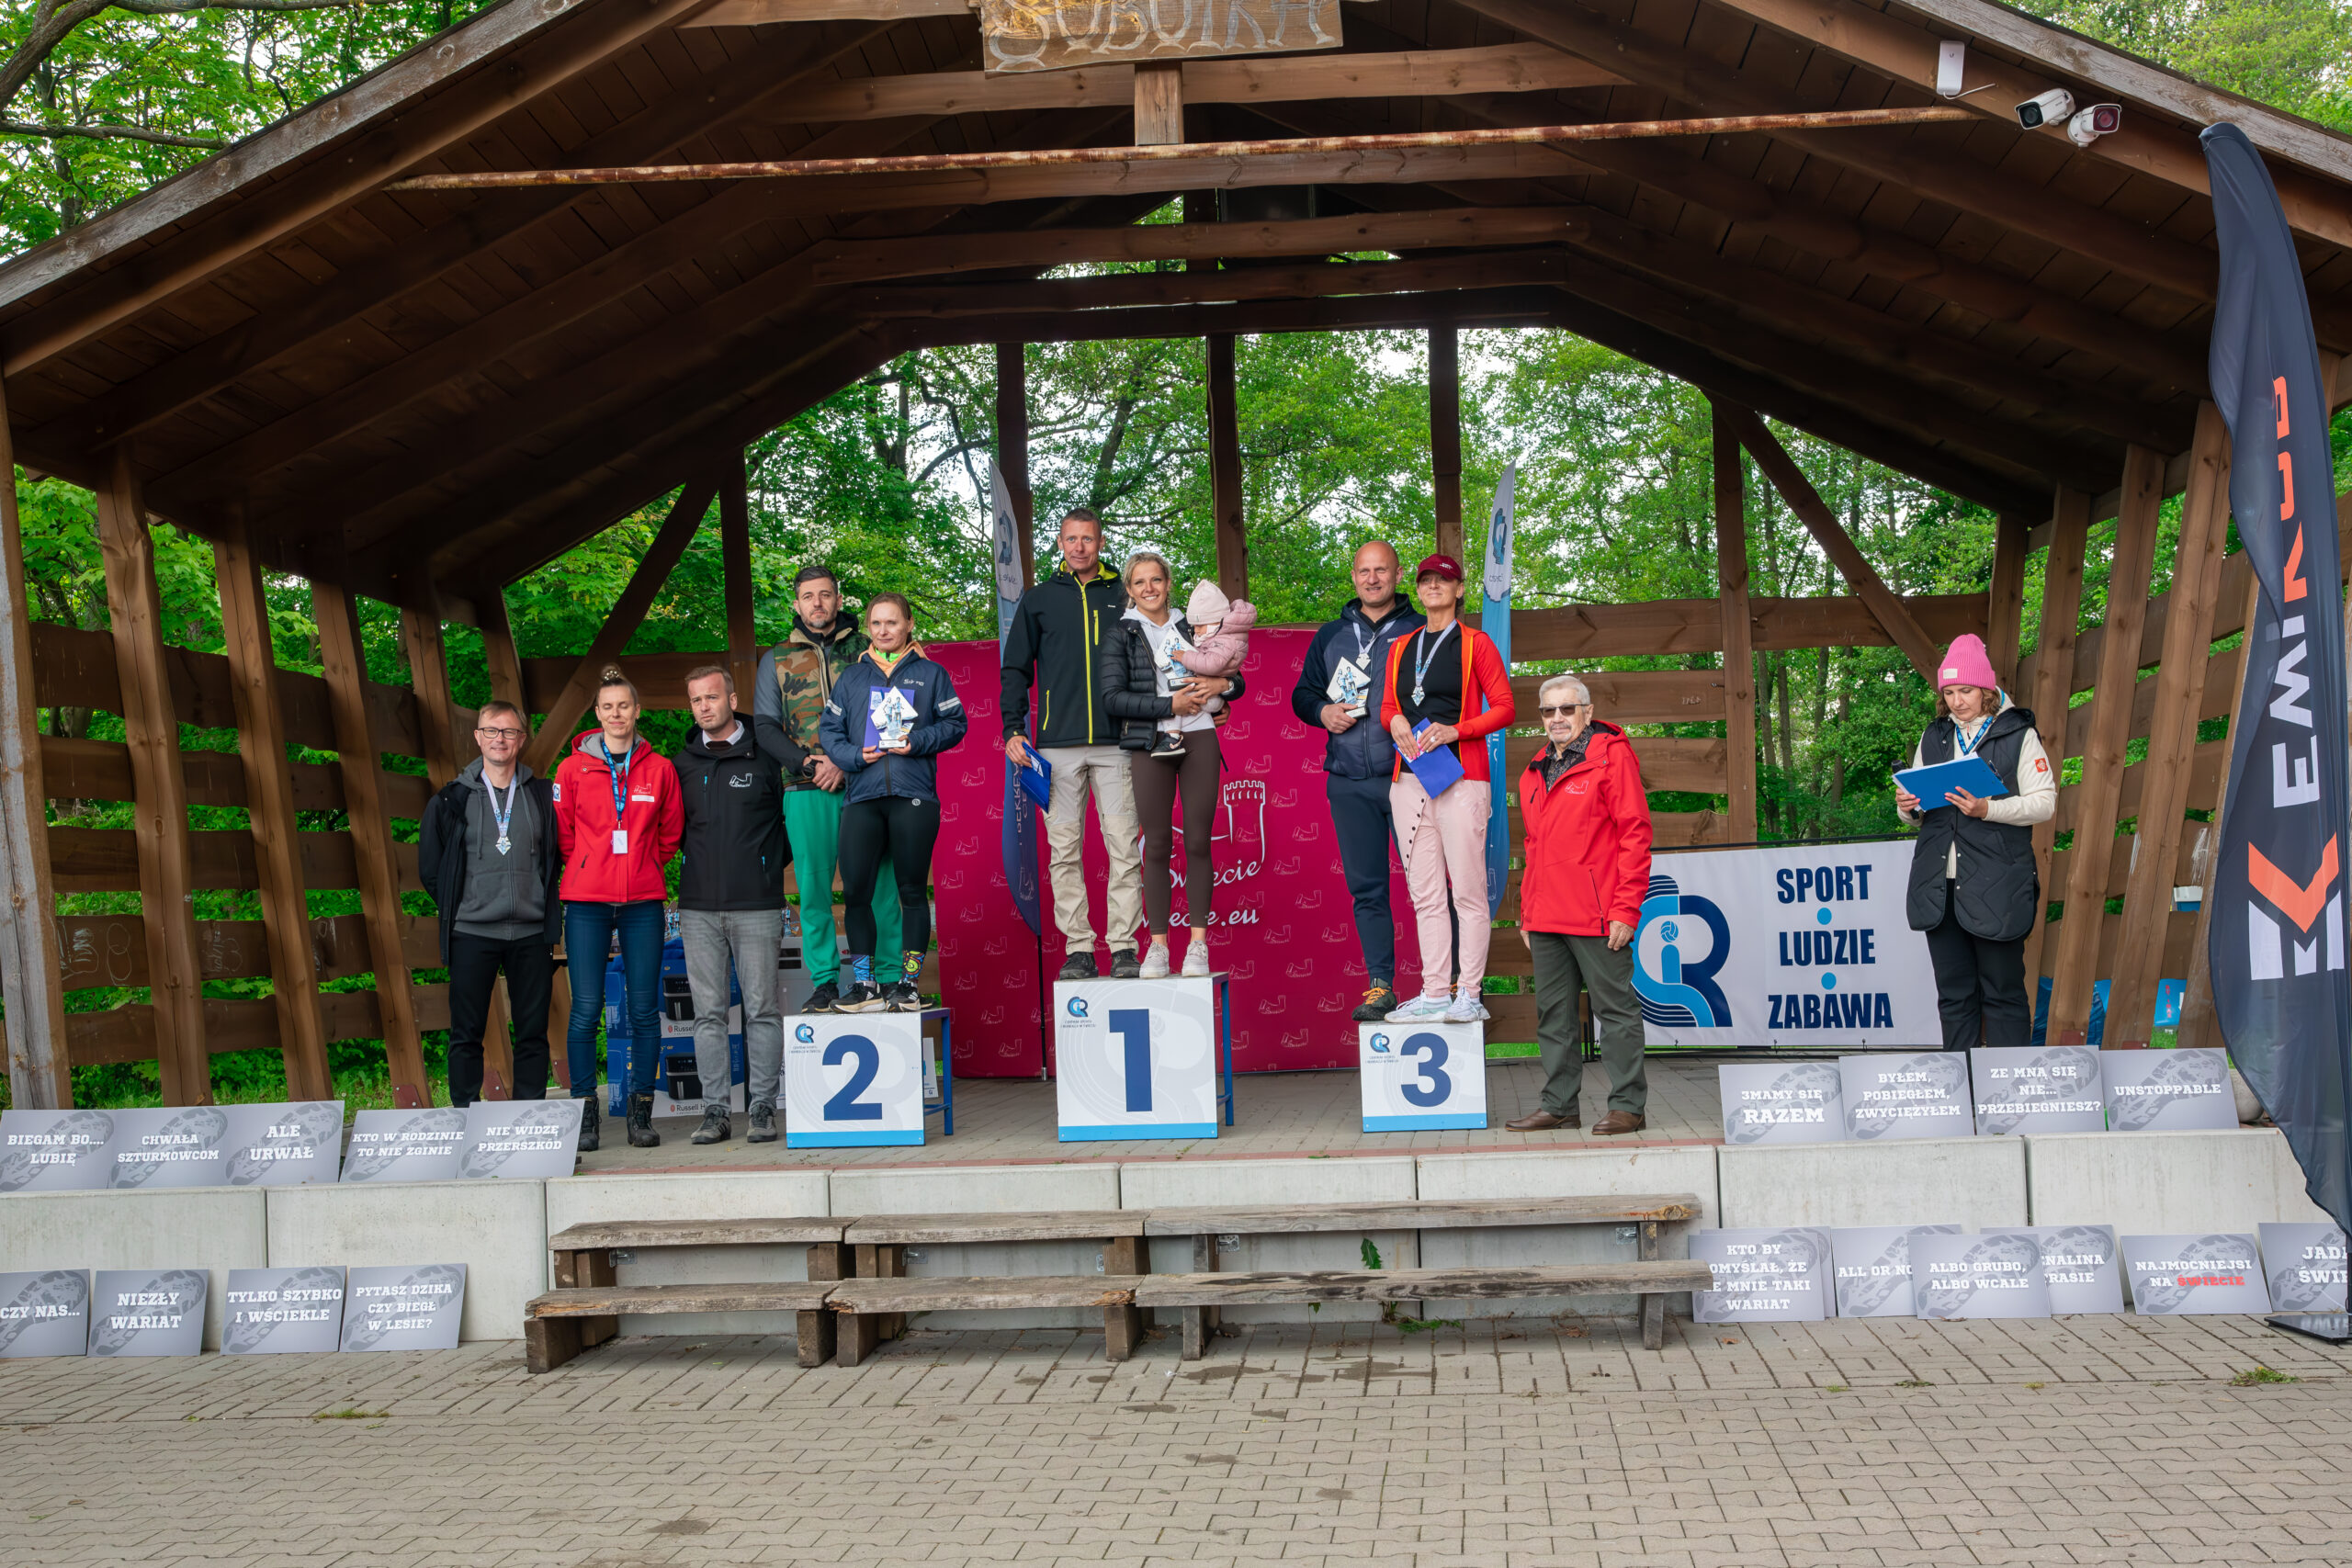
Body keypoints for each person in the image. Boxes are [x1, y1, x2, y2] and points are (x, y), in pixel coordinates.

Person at [1001, 508, 1148, 979]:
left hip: (1117, 742)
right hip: (1055, 748)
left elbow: (1157, 657)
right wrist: (1013, 728)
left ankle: (1123, 947)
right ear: (1060, 543)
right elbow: (1015, 669)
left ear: (1100, 542)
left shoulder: (1124, 595)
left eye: (1087, 538)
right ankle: (1079, 948)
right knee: (1063, 851)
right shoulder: (1039, 599)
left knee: (1124, 847)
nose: (1079, 547)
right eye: (1071, 539)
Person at [1505, 677, 1656, 1135]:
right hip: (1545, 915)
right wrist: (1528, 911)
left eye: (1567, 709)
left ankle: (1628, 1106)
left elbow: (1635, 834)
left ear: (1587, 712)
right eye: (1548, 711)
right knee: (1554, 1016)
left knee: (1616, 1012)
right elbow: (1533, 847)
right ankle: (1559, 1106)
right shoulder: (1534, 770)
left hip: (1597, 913)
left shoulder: (1612, 756)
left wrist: (1626, 910)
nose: (1557, 718)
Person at [1291, 541, 1432, 1021]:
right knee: (1367, 890)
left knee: (1430, 887)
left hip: (1410, 776)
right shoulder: (1331, 635)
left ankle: (1446, 983)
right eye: (1364, 571)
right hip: (1349, 780)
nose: (1372, 579)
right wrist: (1322, 711)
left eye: (1381, 571)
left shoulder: (1422, 629)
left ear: (1398, 575)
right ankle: (1380, 986)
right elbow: (1303, 694)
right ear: (1353, 576)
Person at [1895, 633, 2055, 1051]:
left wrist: (1989, 809)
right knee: (1954, 995)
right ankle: (1960, 1082)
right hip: (1939, 889)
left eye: (1965, 690)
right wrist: (1908, 807)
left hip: (1998, 885)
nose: (1956, 701)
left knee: (2003, 993)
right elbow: (1918, 812)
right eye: (1948, 692)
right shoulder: (1933, 736)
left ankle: (2007, 1085)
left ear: (1986, 689)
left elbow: (2045, 803)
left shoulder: (2019, 733)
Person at [754, 563, 901, 1014]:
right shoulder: (776, 658)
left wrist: (844, 759)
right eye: (808, 596)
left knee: (880, 883)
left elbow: (892, 709)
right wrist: (807, 762)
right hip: (805, 787)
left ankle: (889, 978)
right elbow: (765, 726)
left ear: (838, 599)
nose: (816, 603)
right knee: (814, 890)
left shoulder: (869, 648)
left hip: (868, 783)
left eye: (824, 594)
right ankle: (824, 983)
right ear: (796, 604)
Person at [1099, 552, 1250, 977]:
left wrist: (1224, 686)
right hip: (1151, 741)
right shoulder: (1120, 633)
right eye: (1139, 582)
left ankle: (1198, 945)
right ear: (1129, 590)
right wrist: (1170, 705)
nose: (1149, 588)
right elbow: (1111, 698)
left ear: (1168, 583)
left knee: (1199, 841)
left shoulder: (1193, 623)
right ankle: (1159, 946)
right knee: (1157, 845)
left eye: (1156, 580)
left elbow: (1235, 672)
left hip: (1200, 736)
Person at [1381, 552, 1516, 1025]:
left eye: (1444, 579)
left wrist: (1457, 730)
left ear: (1460, 590)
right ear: (1417, 589)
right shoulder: (1402, 646)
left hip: (1462, 778)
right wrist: (1395, 720)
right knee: (1426, 896)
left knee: (1468, 893)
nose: (1433, 585)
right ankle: (1436, 992)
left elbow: (1505, 707)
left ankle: (1470, 993)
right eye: (1426, 580)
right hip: (1409, 780)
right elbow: (1388, 707)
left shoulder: (1477, 643)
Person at [552, 667, 684, 1150]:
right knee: (586, 1009)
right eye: (607, 707)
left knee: (644, 1009)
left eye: (623, 706)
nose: (616, 714)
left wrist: (643, 863)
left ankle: (640, 1113)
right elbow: (564, 833)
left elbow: (671, 832)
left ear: (637, 711)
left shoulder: (660, 768)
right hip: (586, 900)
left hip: (642, 901)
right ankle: (585, 1113)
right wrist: (592, 866)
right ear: (597, 714)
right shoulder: (572, 769)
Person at [820, 592, 968, 1011]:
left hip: (913, 796)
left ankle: (908, 985)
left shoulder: (931, 673)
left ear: (909, 625)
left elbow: (956, 724)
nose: (883, 631)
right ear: (869, 627)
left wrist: (916, 741)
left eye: (892, 623)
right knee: (855, 894)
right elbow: (829, 730)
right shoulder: (852, 677)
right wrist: (854, 756)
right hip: (862, 796)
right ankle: (865, 986)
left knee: (912, 891)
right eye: (876, 623)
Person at [673, 666, 798, 1145]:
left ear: (731, 698)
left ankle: (762, 1107)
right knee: (707, 1013)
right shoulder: (681, 765)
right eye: (696, 700)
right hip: (698, 908)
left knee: (761, 1009)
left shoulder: (767, 755)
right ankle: (715, 1111)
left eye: (711, 697)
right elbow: (675, 831)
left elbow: (790, 824)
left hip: (757, 903)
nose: (704, 706)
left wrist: (763, 865)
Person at [418, 701, 561, 1110]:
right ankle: (465, 1111)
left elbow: (559, 855)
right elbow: (431, 868)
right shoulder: (451, 799)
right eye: (492, 731)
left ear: (522, 739)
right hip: (472, 931)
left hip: (531, 931)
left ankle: (529, 1112)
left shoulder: (542, 795)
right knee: (466, 1030)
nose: (501, 739)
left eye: (510, 731)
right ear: (478, 738)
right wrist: (466, 904)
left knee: (532, 1031)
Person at [1149, 580, 1255, 759]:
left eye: (1199, 626)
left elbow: (1216, 666)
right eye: (1194, 626)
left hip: (1208, 703)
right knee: (1172, 697)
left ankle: (1172, 737)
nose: (1196, 631)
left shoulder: (1224, 639)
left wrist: (1186, 657)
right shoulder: (1218, 634)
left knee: (1170, 697)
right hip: (1204, 698)